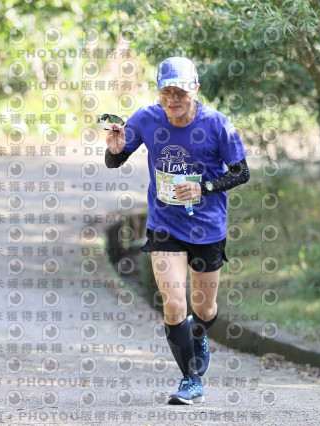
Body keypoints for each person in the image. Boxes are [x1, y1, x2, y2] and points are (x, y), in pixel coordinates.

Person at [104, 56, 250, 405]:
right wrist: (114, 151)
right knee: (172, 304)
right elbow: (116, 159)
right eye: (166, 92)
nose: (173, 99)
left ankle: (198, 334)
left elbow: (241, 172)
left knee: (205, 309)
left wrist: (204, 187)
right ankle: (191, 379)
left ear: (195, 90)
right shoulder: (146, 118)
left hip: (207, 228)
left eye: (181, 92)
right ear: (158, 92)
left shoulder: (218, 125)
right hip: (165, 225)